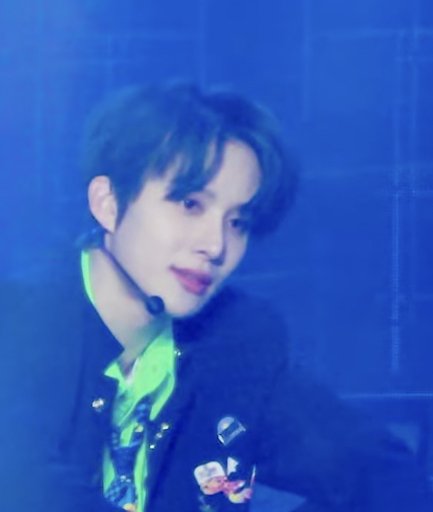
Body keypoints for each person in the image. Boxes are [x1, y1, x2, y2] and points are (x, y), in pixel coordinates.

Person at [0, 82, 432, 512]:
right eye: (190, 204)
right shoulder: (19, 324)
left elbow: (376, 470)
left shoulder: (237, 342)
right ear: (107, 203)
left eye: (238, 222)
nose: (216, 245)